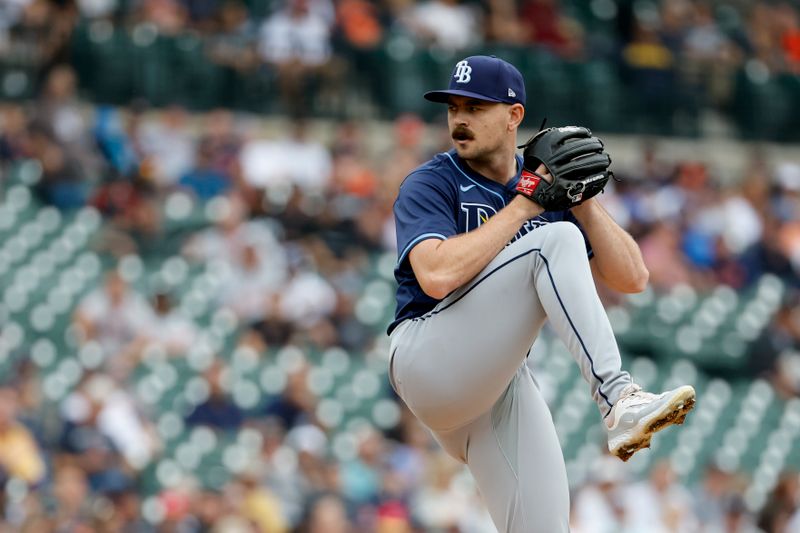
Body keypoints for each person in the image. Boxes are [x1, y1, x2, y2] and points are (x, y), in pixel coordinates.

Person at [387, 55, 696, 532]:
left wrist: (584, 202)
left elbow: (634, 278)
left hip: (497, 384)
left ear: (514, 116)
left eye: (476, 107)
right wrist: (525, 203)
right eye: (453, 108)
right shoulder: (433, 181)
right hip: (427, 357)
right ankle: (618, 398)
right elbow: (435, 275)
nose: (460, 119)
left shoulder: (544, 195)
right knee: (556, 240)